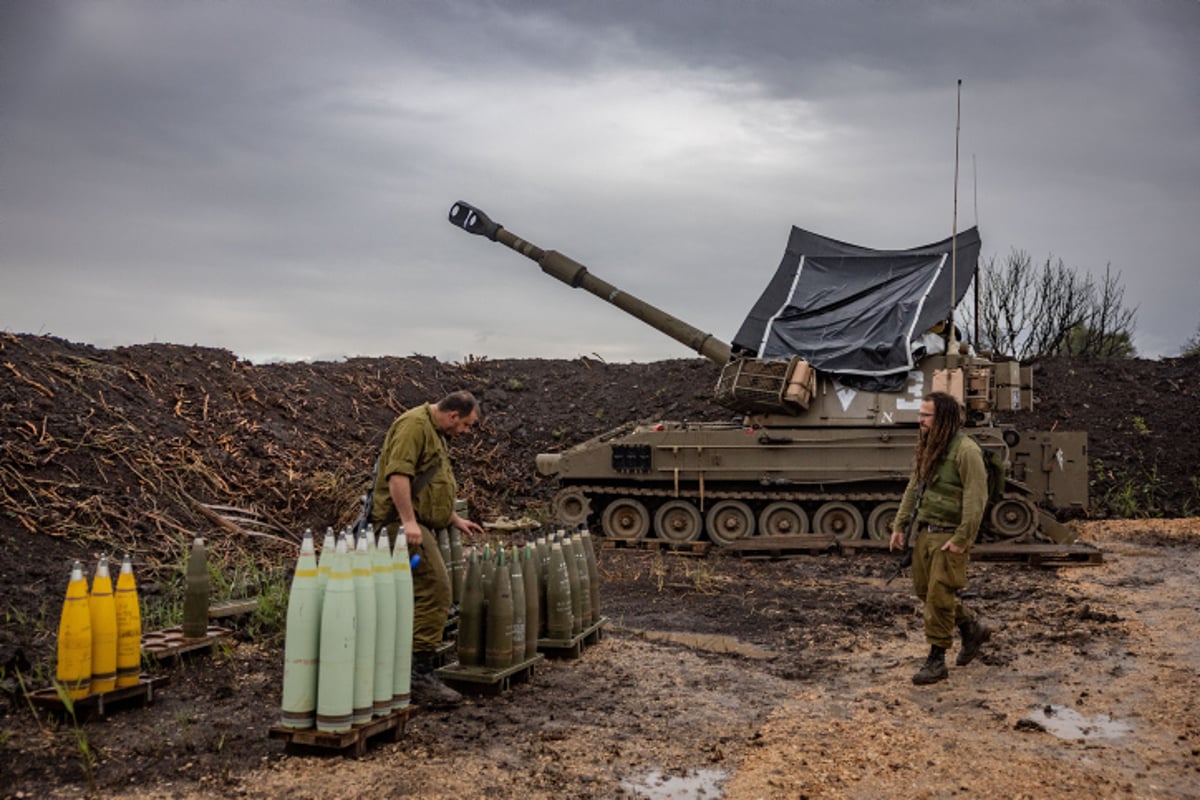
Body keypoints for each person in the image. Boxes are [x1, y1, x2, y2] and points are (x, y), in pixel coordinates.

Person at [370, 390, 484, 708]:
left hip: (418, 523)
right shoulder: (413, 426)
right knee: (436, 589)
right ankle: (417, 676)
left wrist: (453, 518)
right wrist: (409, 522)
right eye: (466, 426)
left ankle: (409, 668)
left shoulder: (434, 432)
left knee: (425, 591)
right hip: (399, 525)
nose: (465, 433)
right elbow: (398, 477)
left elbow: (427, 484)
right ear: (453, 416)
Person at [889, 391, 992, 685]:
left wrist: (962, 539)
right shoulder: (930, 446)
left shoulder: (967, 451)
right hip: (926, 533)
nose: (919, 420)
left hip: (949, 537)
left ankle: (937, 661)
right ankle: (971, 628)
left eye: (925, 415)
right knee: (927, 593)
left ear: (943, 418)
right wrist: (900, 525)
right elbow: (914, 486)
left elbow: (976, 500)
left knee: (938, 598)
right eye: (920, 414)